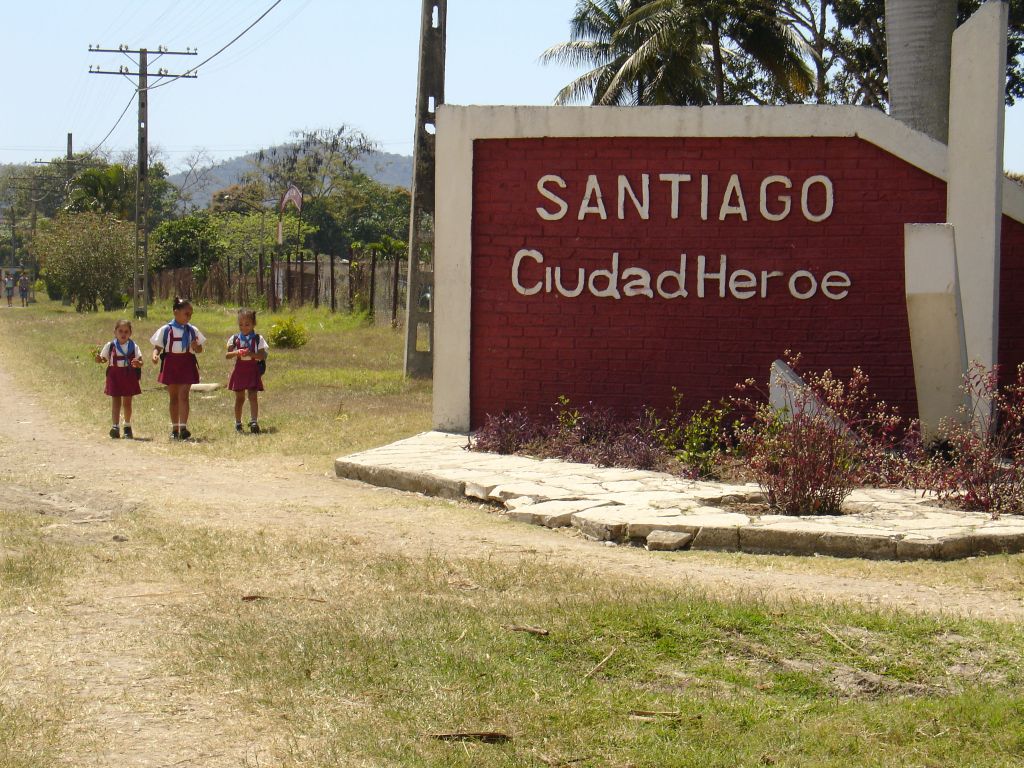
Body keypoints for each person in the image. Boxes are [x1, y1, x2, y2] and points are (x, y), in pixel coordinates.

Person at [150, 296, 205, 441]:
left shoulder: (193, 330)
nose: (189, 317)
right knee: (173, 397)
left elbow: (200, 349)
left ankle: (183, 427)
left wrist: (196, 347)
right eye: (186, 313)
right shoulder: (166, 329)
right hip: (171, 363)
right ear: (176, 312)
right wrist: (155, 355)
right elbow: (158, 346)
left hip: (187, 363)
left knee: (184, 395)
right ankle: (174, 429)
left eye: (191, 314)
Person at [96, 319, 144, 439]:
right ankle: (115, 426)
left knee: (127, 403)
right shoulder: (110, 345)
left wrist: (138, 363)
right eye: (120, 331)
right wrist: (99, 359)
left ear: (130, 333)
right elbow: (104, 359)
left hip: (128, 375)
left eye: (126, 331)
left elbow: (141, 361)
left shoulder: (134, 346)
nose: (123, 334)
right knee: (116, 401)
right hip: (115, 375)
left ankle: (127, 426)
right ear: (115, 332)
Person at [226, 308, 269, 434]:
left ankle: (254, 420)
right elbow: (227, 355)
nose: (244, 327)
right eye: (241, 325)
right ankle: (238, 422)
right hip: (239, 370)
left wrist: (251, 353)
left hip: (252, 370)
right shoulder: (234, 339)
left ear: (253, 324)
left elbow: (262, 356)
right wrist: (236, 352)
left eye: (247, 324)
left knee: (252, 395)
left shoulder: (258, 339)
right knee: (239, 398)